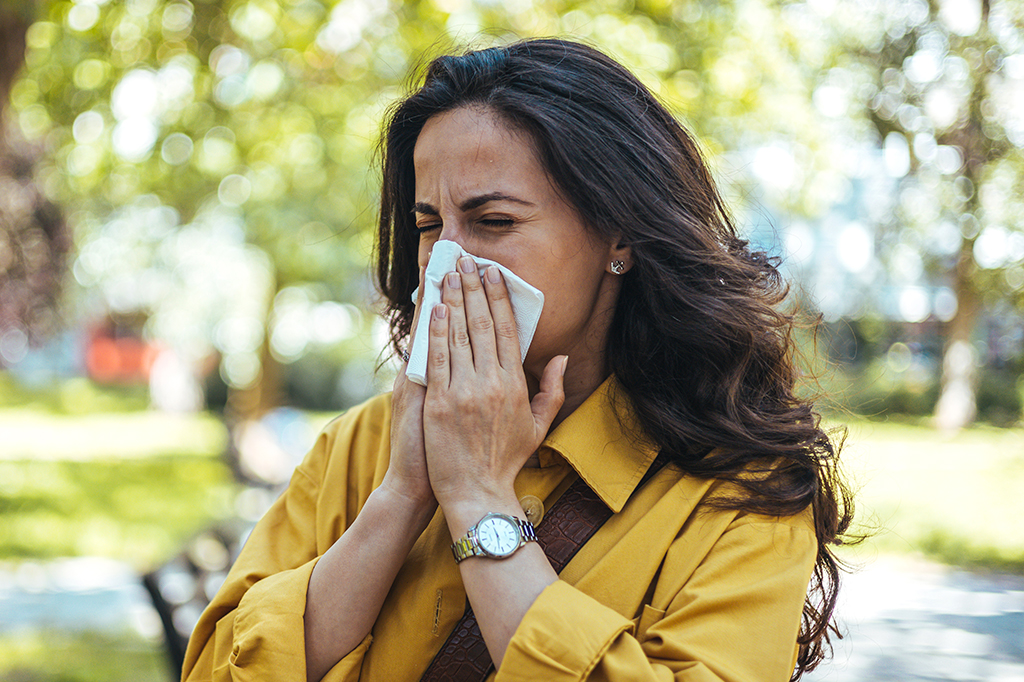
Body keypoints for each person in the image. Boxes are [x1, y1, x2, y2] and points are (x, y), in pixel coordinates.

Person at [181, 38, 852, 682]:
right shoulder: (361, 445)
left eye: (494, 222)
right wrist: (403, 494)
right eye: (427, 227)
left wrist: (477, 499)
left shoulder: (740, 493)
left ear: (619, 233)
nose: (447, 262)